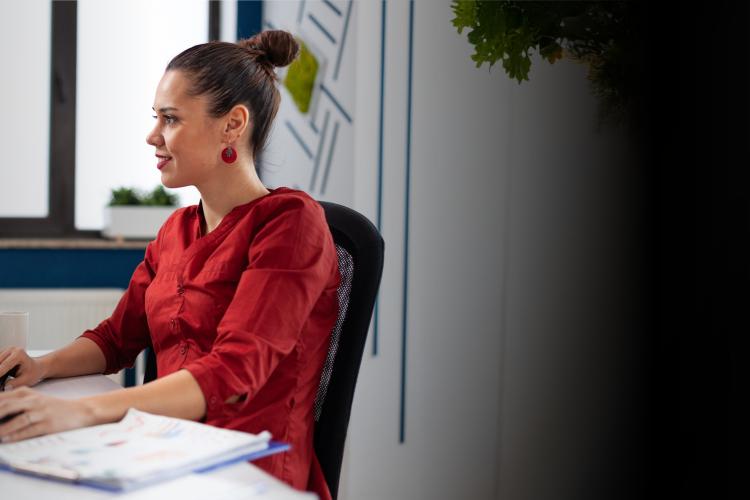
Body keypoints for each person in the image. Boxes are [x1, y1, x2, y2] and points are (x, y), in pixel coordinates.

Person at [0, 30, 339, 499]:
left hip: (247, 470)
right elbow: (116, 339)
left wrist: (85, 411)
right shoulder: (175, 230)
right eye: (155, 117)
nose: (152, 135)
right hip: (158, 450)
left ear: (233, 124)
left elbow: (232, 375)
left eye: (171, 119)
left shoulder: (292, 224)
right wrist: (42, 367)